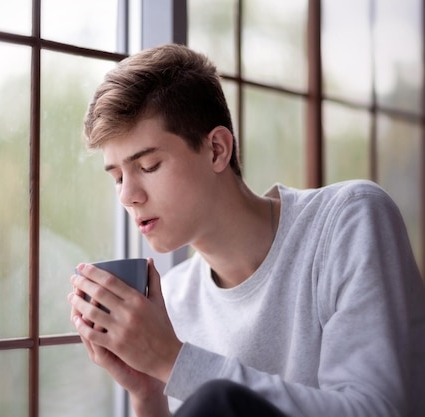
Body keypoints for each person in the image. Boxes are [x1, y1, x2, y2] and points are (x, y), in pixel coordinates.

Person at [67, 43, 425, 417]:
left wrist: (173, 360)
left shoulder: (348, 221)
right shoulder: (173, 300)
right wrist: (148, 393)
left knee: (216, 401)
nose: (128, 195)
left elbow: (375, 410)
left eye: (149, 165)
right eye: (118, 177)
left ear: (217, 150)